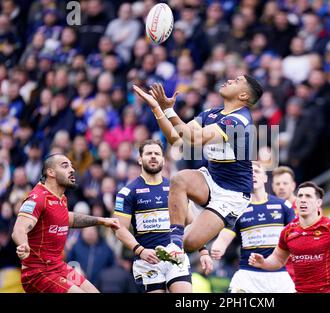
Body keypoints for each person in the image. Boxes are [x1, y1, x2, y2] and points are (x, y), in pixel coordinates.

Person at [132, 75, 263, 256]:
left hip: (232, 193)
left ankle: (182, 246)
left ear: (243, 96)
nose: (230, 80)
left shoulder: (239, 121)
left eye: (237, 81)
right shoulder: (211, 114)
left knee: (192, 242)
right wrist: (158, 109)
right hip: (211, 179)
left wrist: (170, 111)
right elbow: (177, 139)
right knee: (179, 179)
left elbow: (194, 138)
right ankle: (174, 243)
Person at [113, 139, 213, 293]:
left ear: (163, 159)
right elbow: (119, 229)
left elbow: (191, 223)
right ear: (140, 159)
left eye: (157, 153)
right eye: (148, 153)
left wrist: (204, 252)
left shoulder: (176, 189)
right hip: (147, 260)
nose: (153, 157)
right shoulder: (127, 192)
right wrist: (140, 251)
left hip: (175, 256)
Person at [11, 154, 120, 293]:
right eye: (65, 165)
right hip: (38, 273)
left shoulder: (61, 198)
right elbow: (19, 230)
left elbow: (67, 218)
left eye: (71, 165)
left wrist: (101, 220)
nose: (72, 169)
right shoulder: (37, 198)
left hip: (59, 267)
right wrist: (23, 244)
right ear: (50, 172)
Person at [211, 162, 295, 293]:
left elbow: (296, 236)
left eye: (257, 171)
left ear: (265, 178)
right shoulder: (238, 208)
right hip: (248, 274)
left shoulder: (283, 206)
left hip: (278, 275)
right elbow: (225, 235)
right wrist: (218, 247)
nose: (253, 175)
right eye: (249, 172)